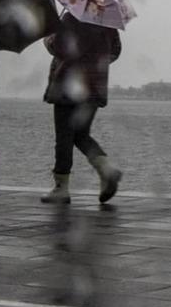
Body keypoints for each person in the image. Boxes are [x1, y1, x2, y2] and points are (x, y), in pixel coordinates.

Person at [41, 14, 122, 204]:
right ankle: (107, 170)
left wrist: (48, 39)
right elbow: (116, 51)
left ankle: (61, 188)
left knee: (64, 136)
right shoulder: (107, 21)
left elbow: (60, 47)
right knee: (80, 134)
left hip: (68, 86)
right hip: (94, 87)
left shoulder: (71, 18)